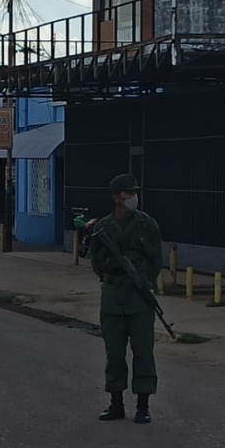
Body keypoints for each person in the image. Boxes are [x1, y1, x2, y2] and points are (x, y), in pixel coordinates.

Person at [89, 174, 162, 424]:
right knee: (115, 354)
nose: (132, 197)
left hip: (139, 299)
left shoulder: (147, 224)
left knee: (143, 353)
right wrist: (114, 275)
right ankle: (116, 403)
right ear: (115, 197)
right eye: (127, 193)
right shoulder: (102, 227)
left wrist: (143, 280)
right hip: (112, 298)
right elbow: (96, 263)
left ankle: (143, 406)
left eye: (133, 193)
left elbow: (156, 261)